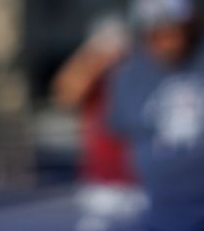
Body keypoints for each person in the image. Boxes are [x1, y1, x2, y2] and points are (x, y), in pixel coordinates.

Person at [109, 0, 204, 231]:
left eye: (172, 30)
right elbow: (128, 132)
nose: (165, 41)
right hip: (161, 214)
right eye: (154, 33)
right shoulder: (131, 72)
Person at [52, 14, 146, 231]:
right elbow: (65, 94)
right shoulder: (93, 77)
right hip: (101, 186)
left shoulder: (142, 72)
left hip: (141, 183)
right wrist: (92, 57)